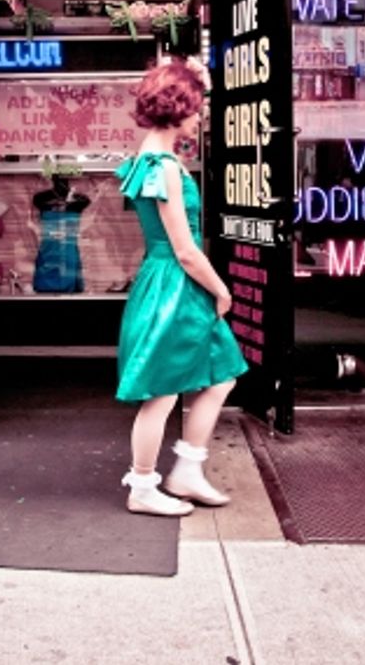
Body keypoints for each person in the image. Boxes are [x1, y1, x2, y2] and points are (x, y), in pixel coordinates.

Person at [113, 59, 248, 516]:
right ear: (179, 107)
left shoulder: (146, 159)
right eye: (198, 105)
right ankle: (145, 485)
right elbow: (185, 249)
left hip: (165, 280)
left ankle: (185, 471)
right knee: (166, 390)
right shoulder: (164, 165)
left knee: (218, 374)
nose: (201, 114)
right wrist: (222, 289)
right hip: (177, 281)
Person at [31, 174, 90, 293]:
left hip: (68, 252)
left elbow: (86, 200)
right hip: (49, 252)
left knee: (70, 290)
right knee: (44, 290)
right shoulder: (41, 199)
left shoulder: (79, 200)